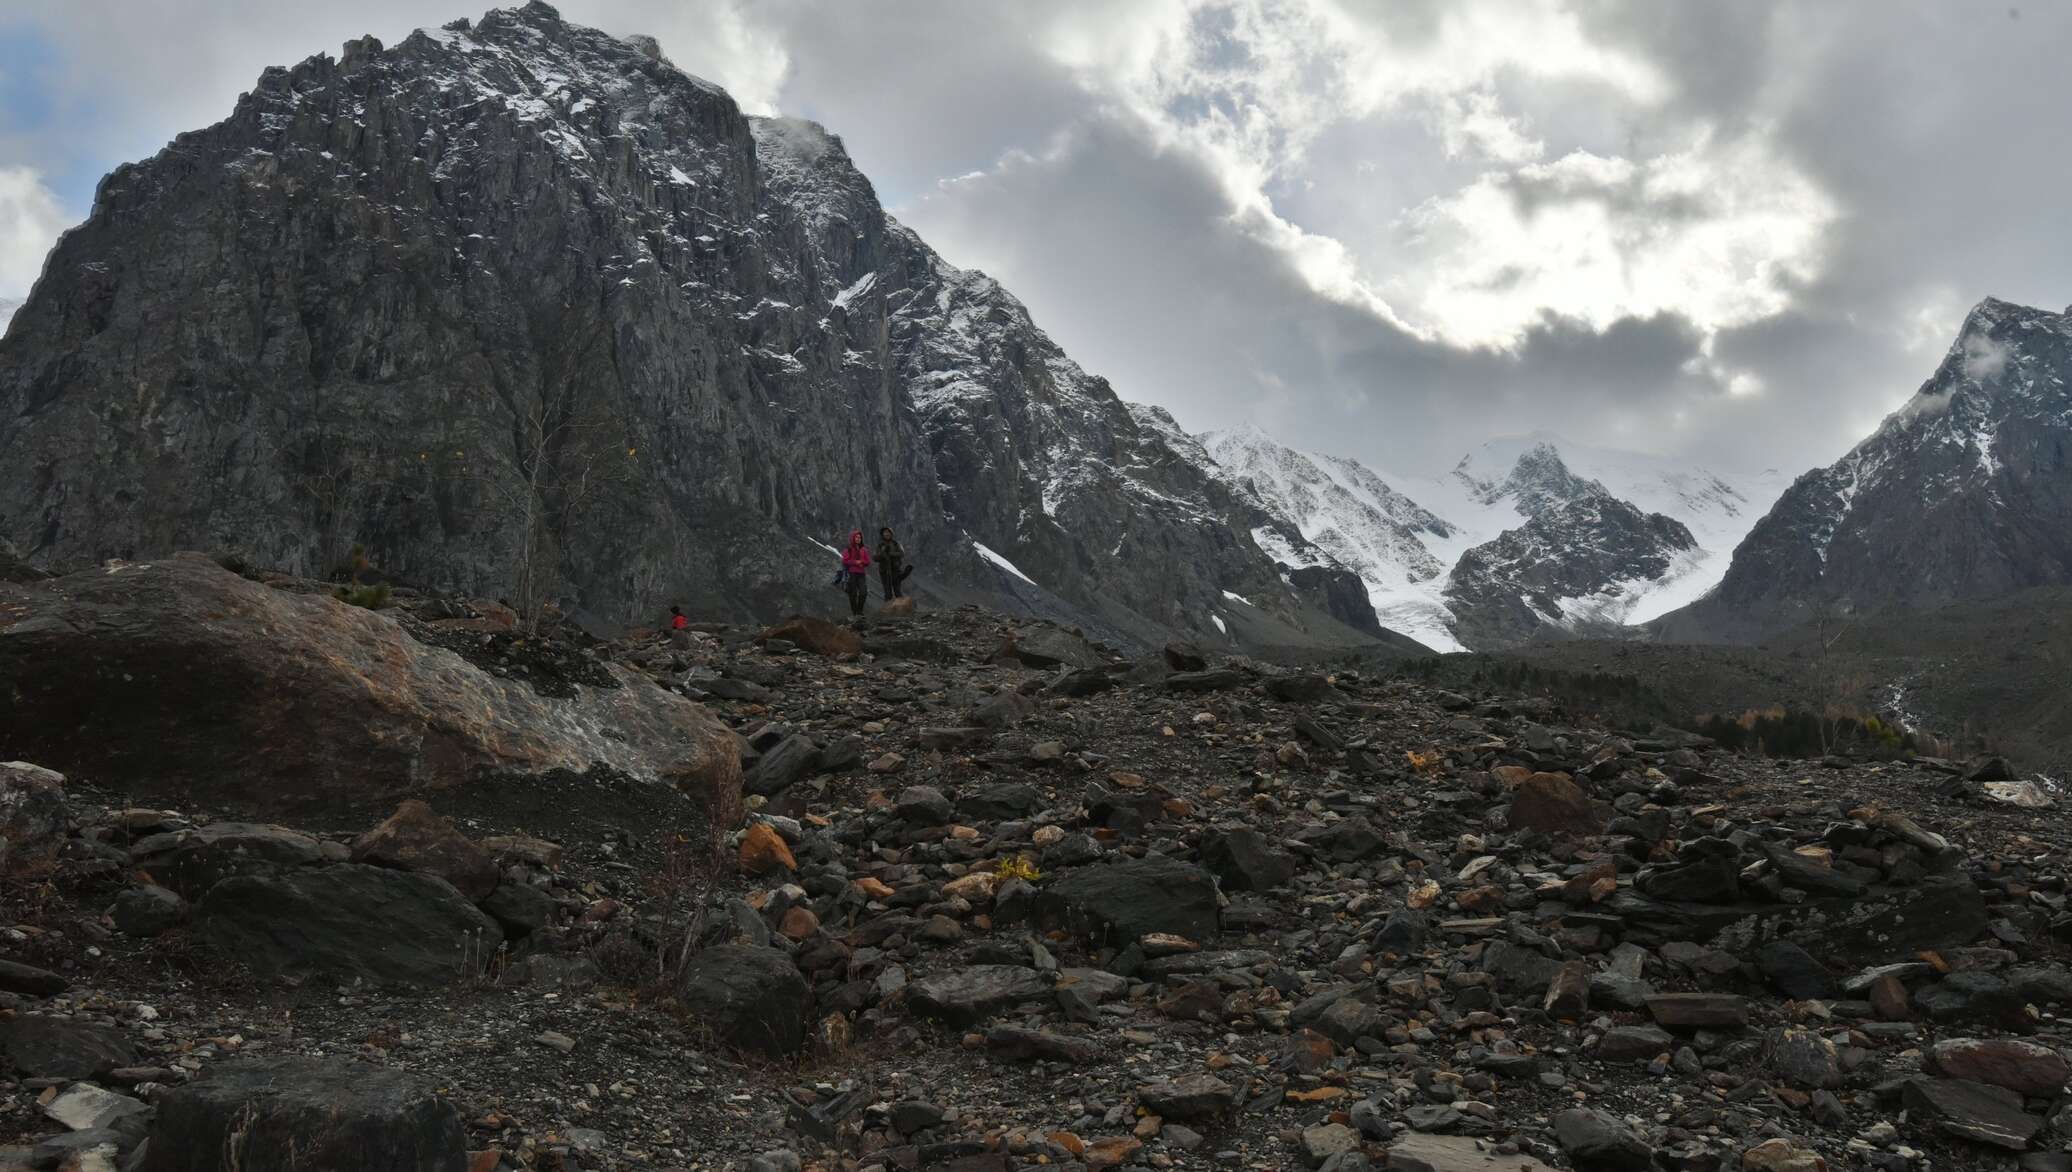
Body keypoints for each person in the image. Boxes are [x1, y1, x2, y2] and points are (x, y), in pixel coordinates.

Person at [839, 530, 872, 616]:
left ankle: (859, 611)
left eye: (860, 537)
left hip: (861, 574)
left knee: (863, 592)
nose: (858, 539)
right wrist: (855, 562)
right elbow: (844, 561)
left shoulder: (863, 549)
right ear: (853, 538)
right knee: (852, 594)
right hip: (851, 574)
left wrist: (861, 562)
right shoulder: (849, 549)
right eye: (856, 537)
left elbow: (868, 561)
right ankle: (855, 613)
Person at [876, 527, 914, 600]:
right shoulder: (880, 545)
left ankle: (902, 609)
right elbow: (875, 558)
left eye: (888, 532)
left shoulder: (896, 544)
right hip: (884, 571)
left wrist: (890, 553)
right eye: (885, 532)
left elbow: (902, 553)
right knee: (888, 593)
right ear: (882, 534)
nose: (886, 534)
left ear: (891, 533)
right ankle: (888, 609)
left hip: (895, 570)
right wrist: (882, 554)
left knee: (897, 591)